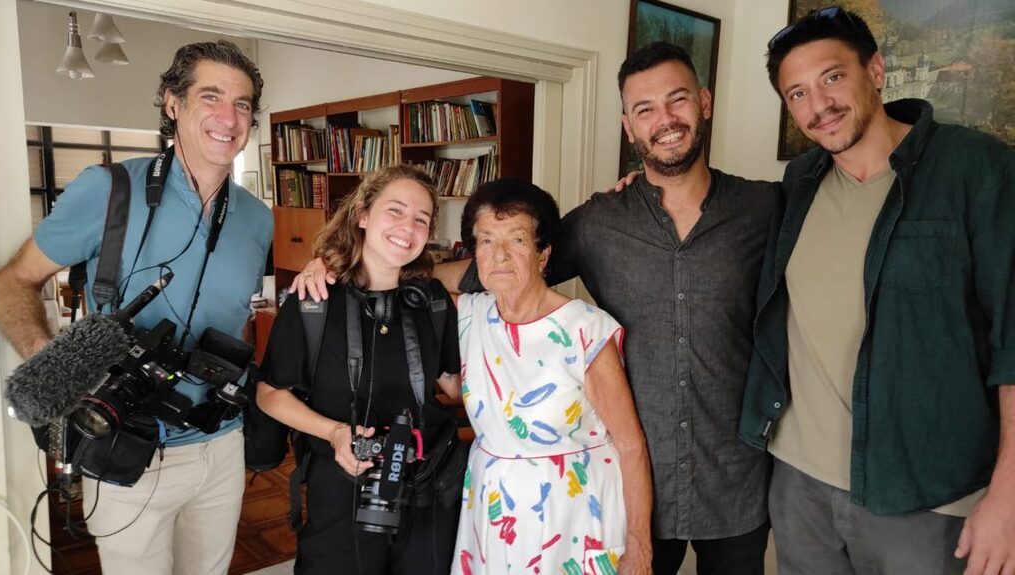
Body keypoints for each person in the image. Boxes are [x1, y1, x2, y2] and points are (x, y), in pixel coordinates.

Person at [295, 42, 778, 575]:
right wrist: (345, 261)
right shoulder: (598, 222)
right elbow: (495, 267)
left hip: (730, 472)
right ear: (627, 125)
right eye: (644, 109)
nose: (663, 120)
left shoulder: (765, 208)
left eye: (677, 100)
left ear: (705, 103)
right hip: (601, 491)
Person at [739, 7, 1015, 575]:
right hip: (800, 484)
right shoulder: (801, 182)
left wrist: (1008, 498)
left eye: (833, 77)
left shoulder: (977, 169)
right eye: (797, 94)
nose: (819, 106)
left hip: (925, 494)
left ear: (877, 70)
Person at [0, 41, 272, 574]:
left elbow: (236, 317)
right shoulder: (108, 190)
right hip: (122, 441)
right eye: (210, 96)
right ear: (173, 104)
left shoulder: (258, 219)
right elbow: (15, 280)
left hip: (220, 444)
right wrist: (55, 366)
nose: (227, 116)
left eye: (242, 104)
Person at [256, 164, 463, 575]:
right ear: (363, 215)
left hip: (427, 489)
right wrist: (335, 433)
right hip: (341, 489)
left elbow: (455, 386)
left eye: (421, 219)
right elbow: (269, 394)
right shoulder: (313, 299)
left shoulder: (432, 300)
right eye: (396, 210)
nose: (408, 226)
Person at [449, 178, 653, 574]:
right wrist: (327, 262)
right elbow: (394, 275)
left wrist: (639, 547)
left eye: (517, 240)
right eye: (486, 241)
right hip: (493, 514)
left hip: (573, 517)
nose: (500, 255)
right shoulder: (470, 315)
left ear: (543, 255)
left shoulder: (584, 329)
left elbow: (630, 446)